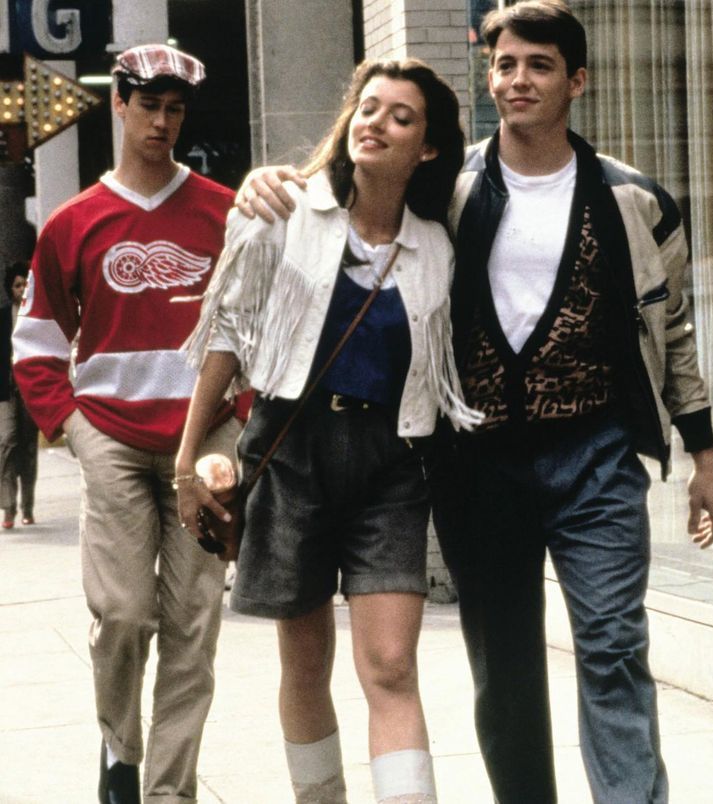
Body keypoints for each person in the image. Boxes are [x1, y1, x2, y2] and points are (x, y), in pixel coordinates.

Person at [235, 3, 713, 802]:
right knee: (503, 665)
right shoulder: (449, 194)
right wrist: (273, 180)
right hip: (482, 465)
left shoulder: (636, 201)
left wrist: (705, 457)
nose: (518, 79)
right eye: (505, 64)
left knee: (612, 645)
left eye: (539, 65)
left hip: (596, 456)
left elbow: (671, 335)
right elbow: (354, 198)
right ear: (489, 76)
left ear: (577, 81)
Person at [176, 57, 480, 804]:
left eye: (400, 117)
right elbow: (227, 336)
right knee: (305, 663)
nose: (376, 123)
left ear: (429, 148)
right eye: (368, 108)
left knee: (390, 666)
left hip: (391, 466)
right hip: (291, 453)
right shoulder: (282, 213)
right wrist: (189, 459)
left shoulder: (437, 249)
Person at [12, 44, 242, 804]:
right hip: (109, 433)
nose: (162, 123)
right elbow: (38, 343)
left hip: (203, 438)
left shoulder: (222, 212)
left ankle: (168, 791)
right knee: (123, 613)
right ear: (119, 104)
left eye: (175, 110)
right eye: (149, 107)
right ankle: (120, 747)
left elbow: (259, 327)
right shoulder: (73, 223)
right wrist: (70, 426)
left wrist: (237, 423)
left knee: (192, 621)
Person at [0, 262, 39, 528]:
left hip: (31, 390)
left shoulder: (38, 317)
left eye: (25, 284)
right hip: (6, 391)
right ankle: (8, 507)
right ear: (9, 289)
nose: (22, 289)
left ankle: (27, 506)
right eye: (17, 285)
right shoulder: (3, 316)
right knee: (7, 442)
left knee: (28, 448)